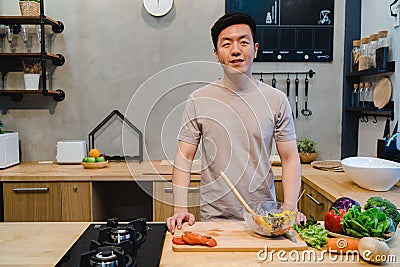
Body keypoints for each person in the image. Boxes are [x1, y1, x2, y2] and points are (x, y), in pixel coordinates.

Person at [166, 13, 304, 234]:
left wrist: (290, 207)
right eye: (226, 44)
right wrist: (180, 208)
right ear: (216, 54)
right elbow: (185, 156)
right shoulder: (198, 99)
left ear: (255, 49)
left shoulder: (277, 99)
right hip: (215, 218)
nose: (236, 50)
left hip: (265, 216)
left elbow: (289, 158)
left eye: (243, 42)